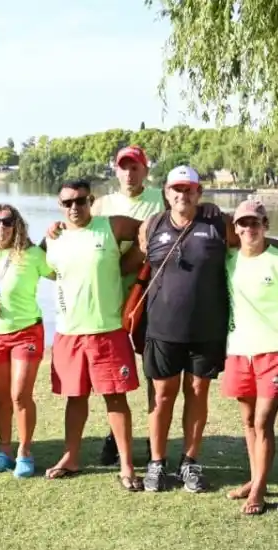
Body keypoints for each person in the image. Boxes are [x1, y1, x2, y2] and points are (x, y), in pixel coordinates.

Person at [136, 166, 232, 493]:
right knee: (162, 396)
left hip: (207, 330)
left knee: (197, 393)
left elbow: (252, 241)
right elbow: (128, 248)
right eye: (177, 189)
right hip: (162, 329)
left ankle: (190, 463)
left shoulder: (217, 223)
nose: (183, 195)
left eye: (190, 189)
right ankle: (157, 463)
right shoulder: (153, 225)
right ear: (166, 193)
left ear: (199, 193)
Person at [43, 180, 144, 489]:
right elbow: (41, 269)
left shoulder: (110, 226)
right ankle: (71, 457)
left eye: (81, 201)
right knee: (75, 398)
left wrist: (128, 264)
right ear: (61, 206)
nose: (75, 207)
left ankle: (126, 465)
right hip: (69, 332)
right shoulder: (53, 239)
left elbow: (151, 231)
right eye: (68, 202)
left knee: (116, 399)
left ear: (91, 201)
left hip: (107, 331)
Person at [92, 146, 165, 466]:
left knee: (152, 371)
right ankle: (114, 435)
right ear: (116, 171)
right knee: (115, 376)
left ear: (145, 170)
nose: (129, 173)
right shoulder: (101, 205)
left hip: (152, 299)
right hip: (111, 301)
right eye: (123, 167)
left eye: (135, 167)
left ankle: (154, 438)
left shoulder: (161, 200)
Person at [221, 200, 278, 515]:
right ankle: (255, 478)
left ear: (265, 225)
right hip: (238, 352)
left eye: (255, 223)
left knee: (264, 421)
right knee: (249, 422)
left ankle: (259, 491)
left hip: (273, 354)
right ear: (235, 229)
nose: (249, 229)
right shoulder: (228, 260)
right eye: (243, 224)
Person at [0, 204, 53, 478]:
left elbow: (61, 273)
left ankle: (25, 451)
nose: (1, 228)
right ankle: (4, 451)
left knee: (20, 395)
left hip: (26, 333)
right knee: (0, 397)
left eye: (7, 222)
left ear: (17, 225)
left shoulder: (33, 255)